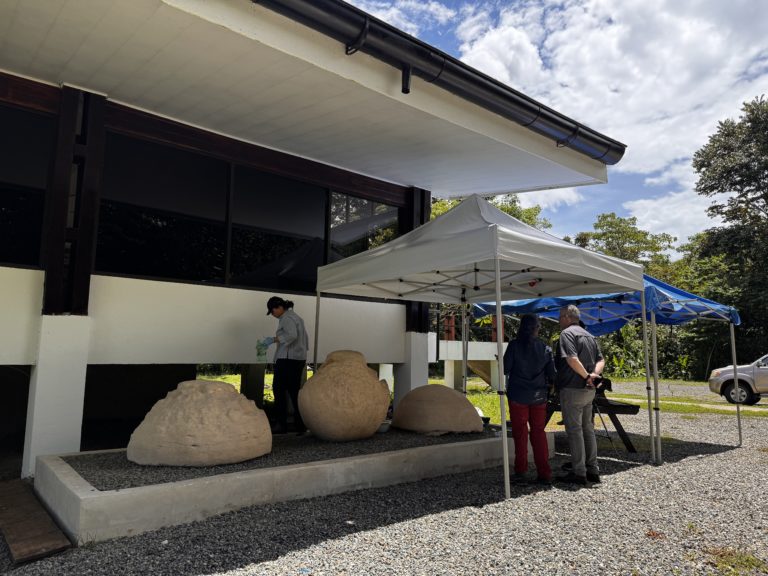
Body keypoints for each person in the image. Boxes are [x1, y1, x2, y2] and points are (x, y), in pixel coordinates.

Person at [503, 314, 556, 485]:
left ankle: (521, 472)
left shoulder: (514, 346)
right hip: (539, 397)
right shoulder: (545, 348)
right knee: (538, 433)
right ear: (536, 328)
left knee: (520, 434)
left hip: (518, 395)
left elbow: (505, 368)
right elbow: (552, 374)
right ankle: (544, 473)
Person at [555, 304, 604, 485]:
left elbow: (571, 359)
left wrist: (586, 376)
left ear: (568, 317)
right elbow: (601, 359)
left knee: (575, 431)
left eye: (560, 317)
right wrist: (594, 376)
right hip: (589, 390)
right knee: (588, 429)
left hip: (573, 388)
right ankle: (593, 468)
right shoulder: (589, 335)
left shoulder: (567, 334)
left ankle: (579, 471)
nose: (559, 320)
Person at [266, 296, 309, 435]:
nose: (273, 315)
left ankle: (281, 424)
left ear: (279, 307)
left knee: (279, 390)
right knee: (294, 392)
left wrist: (273, 339)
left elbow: (292, 335)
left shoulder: (287, 318)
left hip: (288, 359)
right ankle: (301, 425)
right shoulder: (296, 317)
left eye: (272, 311)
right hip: (297, 359)